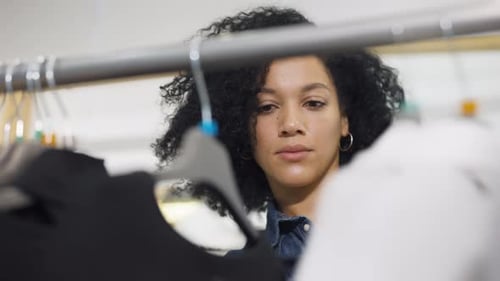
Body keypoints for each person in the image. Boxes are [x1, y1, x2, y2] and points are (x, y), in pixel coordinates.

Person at [154, 6, 404, 279]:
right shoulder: (236, 273)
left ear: (345, 119)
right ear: (239, 127)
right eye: (266, 107)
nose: (290, 125)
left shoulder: (408, 234)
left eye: (313, 103)